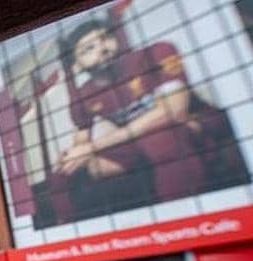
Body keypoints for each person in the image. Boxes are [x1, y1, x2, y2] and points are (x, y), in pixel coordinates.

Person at [43, 19, 247, 224]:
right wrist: (75, 155)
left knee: (159, 138)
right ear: (76, 65)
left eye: (105, 38)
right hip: (138, 141)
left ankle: (182, 223)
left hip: (193, 122)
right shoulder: (84, 94)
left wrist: (93, 146)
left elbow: (175, 111)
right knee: (63, 173)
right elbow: (82, 138)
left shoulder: (156, 52)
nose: (102, 48)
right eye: (89, 49)